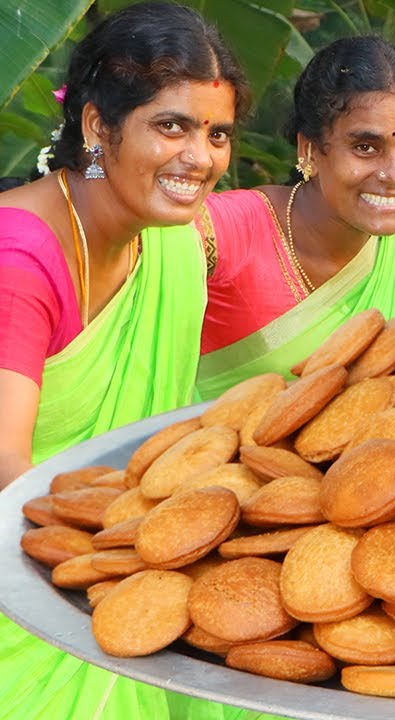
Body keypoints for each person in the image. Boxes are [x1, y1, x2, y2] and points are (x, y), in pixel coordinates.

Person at [0, 3, 254, 718]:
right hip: (29, 608)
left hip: (121, 584)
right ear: (95, 126)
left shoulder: (172, 240)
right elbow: (6, 467)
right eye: (170, 126)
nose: (199, 157)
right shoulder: (19, 259)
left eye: (218, 134)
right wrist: (147, 556)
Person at [196, 36, 395, 399]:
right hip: (204, 451)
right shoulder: (226, 232)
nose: (393, 175)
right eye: (366, 148)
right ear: (310, 149)